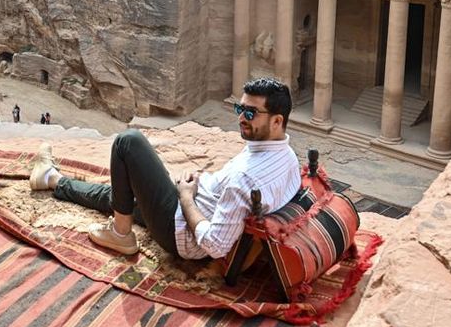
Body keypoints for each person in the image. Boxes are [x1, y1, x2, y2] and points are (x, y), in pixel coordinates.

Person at [29, 78, 301, 259]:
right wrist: (202, 186)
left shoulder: (246, 177)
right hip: (195, 205)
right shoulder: (286, 156)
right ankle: (52, 179)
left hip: (179, 231)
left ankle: (121, 234)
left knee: (128, 142)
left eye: (250, 113)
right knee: (121, 197)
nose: (241, 118)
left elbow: (216, 245)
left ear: (277, 121)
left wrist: (185, 196)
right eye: (240, 109)